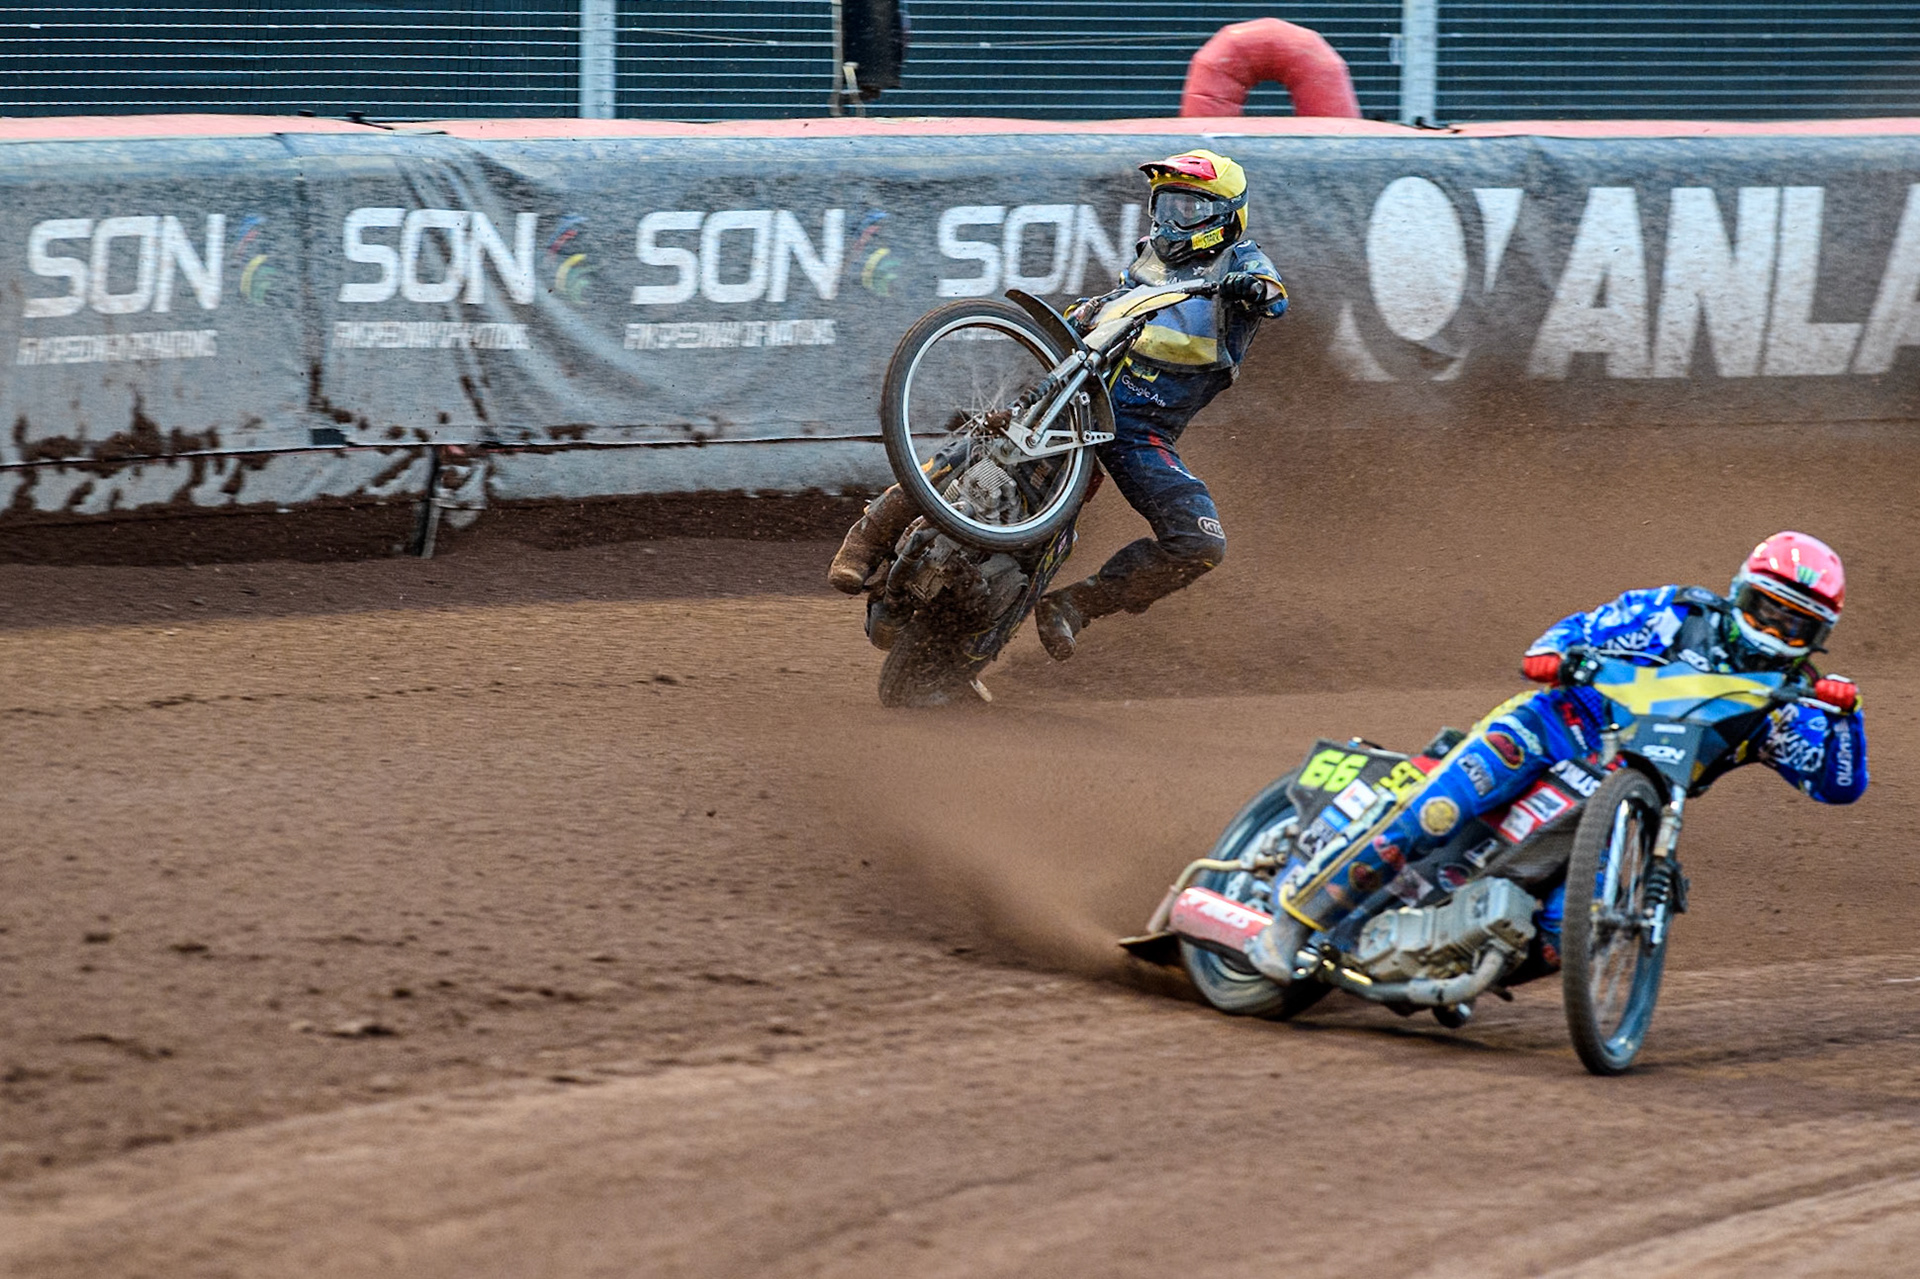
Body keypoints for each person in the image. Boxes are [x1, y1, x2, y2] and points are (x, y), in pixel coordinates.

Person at [1245, 531, 1870, 983]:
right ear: (1742, 594)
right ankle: (1291, 924)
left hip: (1633, 796)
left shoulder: (1795, 702)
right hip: (1550, 731)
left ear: (1817, 638)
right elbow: (1572, 633)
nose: (1776, 633)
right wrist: (1559, 654)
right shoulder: (1677, 616)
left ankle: (1454, 957)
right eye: (1769, 611)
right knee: (1433, 814)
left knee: (1562, 936)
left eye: (1797, 628)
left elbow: (1838, 786)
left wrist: (1848, 717)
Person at [828, 149, 1289, 659]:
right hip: (1079, 394)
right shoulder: (1146, 256)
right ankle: (869, 535)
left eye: (1189, 209)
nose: (1171, 220)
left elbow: (1273, 292)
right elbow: (1117, 302)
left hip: (1142, 430)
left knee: (1200, 543)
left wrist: (1254, 291)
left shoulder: (1242, 262)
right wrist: (1091, 309)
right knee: (990, 441)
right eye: (1165, 205)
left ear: (1225, 217)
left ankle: (1074, 605)